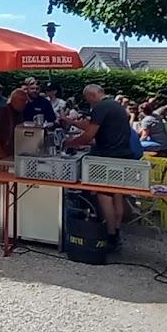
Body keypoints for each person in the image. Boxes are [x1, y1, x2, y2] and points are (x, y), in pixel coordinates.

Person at [63, 84, 138, 244]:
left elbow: (89, 135)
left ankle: (109, 235)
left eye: (87, 99)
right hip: (123, 155)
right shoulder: (116, 106)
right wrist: (71, 122)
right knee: (117, 194)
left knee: (104, 196)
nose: (88, 103)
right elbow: (101, 131)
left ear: (91, 95)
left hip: (108, 159)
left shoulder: (100, 107)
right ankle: (116, 230)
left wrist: (70, 143)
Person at [0, 88, 29, 213]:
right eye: (23, 101)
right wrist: (0, 151)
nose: (25, 104)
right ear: (16, 100)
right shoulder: (3, 111)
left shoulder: (18, 113)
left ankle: (1, 206)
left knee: (6, 179)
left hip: (11, 151)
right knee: (2, 179)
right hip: (1, 150)